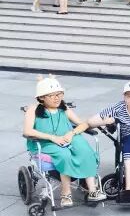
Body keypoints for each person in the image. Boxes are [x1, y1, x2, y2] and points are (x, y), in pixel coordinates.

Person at [22, 76, 107, 206]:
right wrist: (53, 138)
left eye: (59, 94)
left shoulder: (64, 108)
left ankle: (93, 191)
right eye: (52, 95)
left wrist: (72, 133)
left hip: (67, 138)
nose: (57, 98)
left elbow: (82, 123)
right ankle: (65, 194)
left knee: (85, 150)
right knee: (64, 154)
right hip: (46, 142)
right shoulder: (33, 110)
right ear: (42, 97)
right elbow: (27, 131)